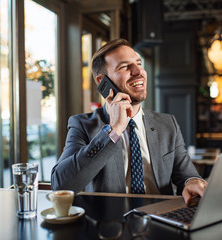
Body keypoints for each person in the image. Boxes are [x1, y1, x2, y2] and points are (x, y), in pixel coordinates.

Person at [51, 39, 207, 204]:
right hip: (110, 225)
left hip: (162, 221)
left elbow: (187, 176)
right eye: (124, 67)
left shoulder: (168, 124)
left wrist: (192, 182)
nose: (138, 71)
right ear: (102, 81)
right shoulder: (82, 125)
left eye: (139, 63)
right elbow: (61, 185)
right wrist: (113, 130)